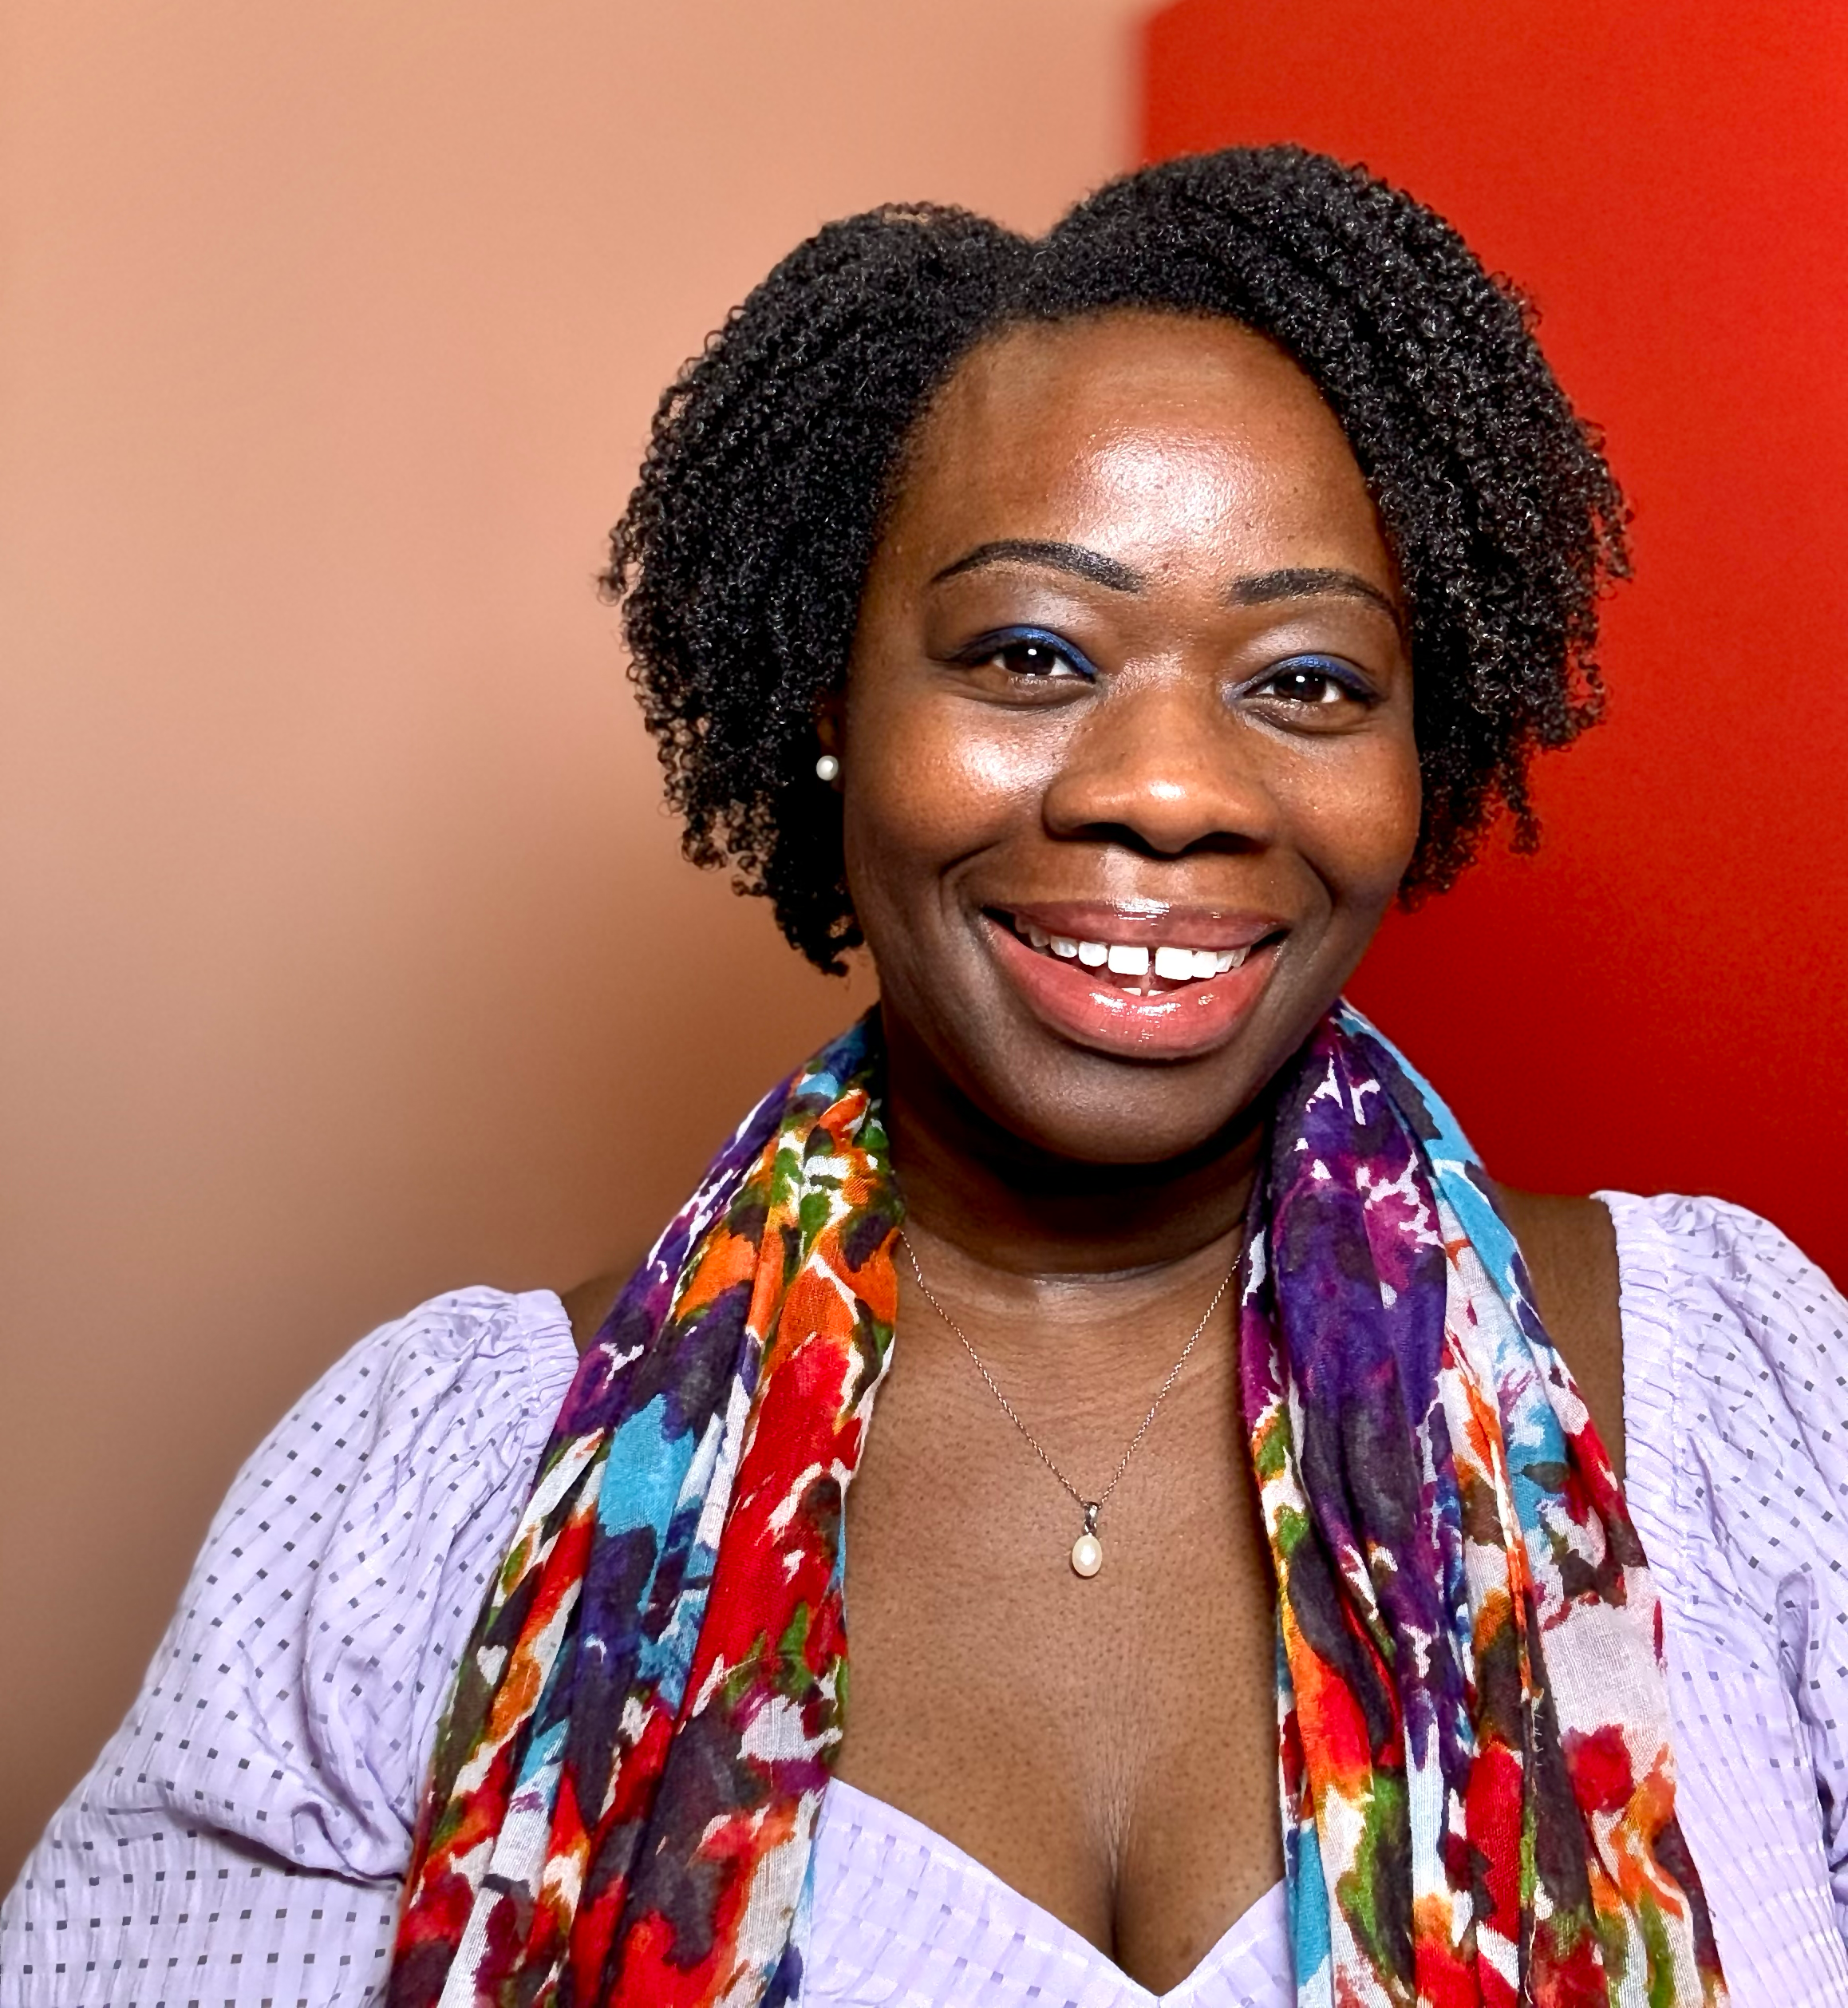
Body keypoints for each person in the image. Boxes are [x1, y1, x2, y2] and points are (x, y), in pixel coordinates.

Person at [5, 145, 1846, 2008]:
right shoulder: (438, 1493)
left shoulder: (1740, 1404)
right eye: (1031, 653)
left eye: (1305, 680)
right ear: (836, 711)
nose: (1168, 788)